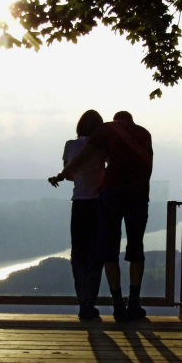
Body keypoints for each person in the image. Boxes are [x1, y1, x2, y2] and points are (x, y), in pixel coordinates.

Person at [50, 110, 153, 322]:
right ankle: (134, 302)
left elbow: (79, 161)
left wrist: (61, 175)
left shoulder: (102, 132)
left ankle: (110, 305)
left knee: (101, 251)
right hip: (129, 196)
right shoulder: (142, 133)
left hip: (101, 198)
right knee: (133, 248)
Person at [49, 110, 105, 320]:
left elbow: (70, 173)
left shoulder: (70, 145)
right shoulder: (101, 146)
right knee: (96, 256)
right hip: (99, 204)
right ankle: (91, 303)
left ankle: (83, 303)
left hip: (79, 204)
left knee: (79, 255)